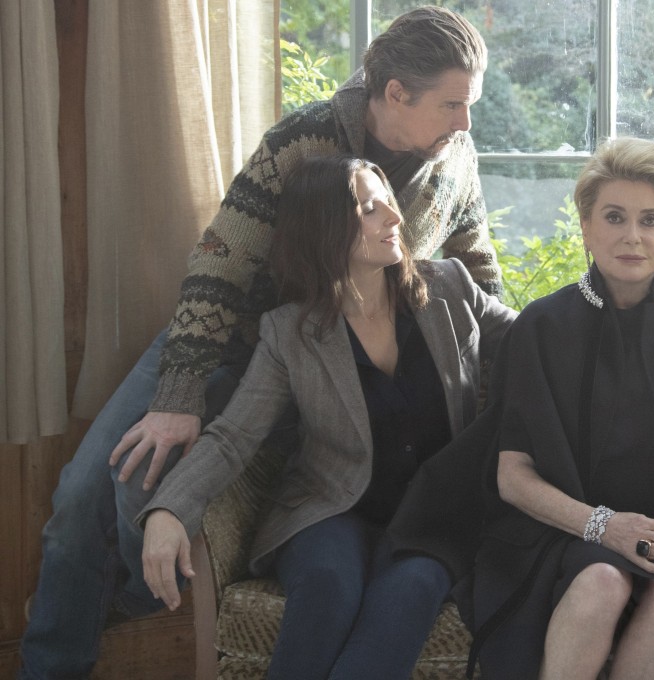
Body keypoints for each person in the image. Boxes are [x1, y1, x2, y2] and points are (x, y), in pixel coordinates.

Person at [19, 7, 501, 679]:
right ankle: (51, 663)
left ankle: (130, 592)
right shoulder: (303, 140)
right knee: (91, 491)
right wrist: (180, 394)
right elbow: (221, 263)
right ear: (396, 94)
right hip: (233, 337)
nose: (465, 123)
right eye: (453, 104)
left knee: (154, 496)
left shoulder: (453, 157)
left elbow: (477, 271)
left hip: (334, 356)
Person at [391, 137, 654, 680]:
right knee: (603, 583)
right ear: (586, 227)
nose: (633, 236)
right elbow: (513, 477)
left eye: (650, 219)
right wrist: (603, 526)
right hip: (570, 533)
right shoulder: (541, 329)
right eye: (614, 217)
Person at [139, 154, 515, 679]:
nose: (394, 217)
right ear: (323, 229)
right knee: (328, 585)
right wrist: (169, 510)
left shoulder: (449, 289)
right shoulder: (288, 332)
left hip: (437, 517)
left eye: (388, 202)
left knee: (411, 592)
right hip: (330, 510)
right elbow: (232, 437)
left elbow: (536, 342)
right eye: (369, 208)